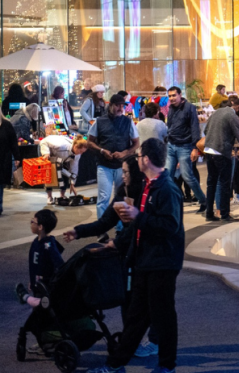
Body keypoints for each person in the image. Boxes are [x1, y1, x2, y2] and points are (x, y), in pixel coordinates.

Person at [88, 138, 185, 373]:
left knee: (163, 318)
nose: (137, 158)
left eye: (140, 155)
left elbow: (170, 226)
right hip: (146, 261)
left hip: (162, 262)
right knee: (136, 318)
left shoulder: (166, 189)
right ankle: (115, 364)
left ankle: (166, 366)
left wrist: (137, 216)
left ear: (146, 160)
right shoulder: (151, 185)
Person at [63, 155, 158, 358]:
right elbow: (105, 222)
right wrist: (78, 231)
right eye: (122, 172)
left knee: (150, 300)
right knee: (129, 298)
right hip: (129, 254)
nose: (122, 176)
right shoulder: (124, 192)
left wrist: (117, 242)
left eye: (125, 172)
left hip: (149, 255)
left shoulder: (147, 193)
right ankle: (134, 343)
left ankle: (152, 343)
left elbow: (138, 229)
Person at [15, 209, 64, 356]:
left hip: (46, 288)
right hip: (38, 285)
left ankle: (45, 342)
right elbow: (34, 265)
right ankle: (45, 341)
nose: (30, 224)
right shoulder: (37, 242)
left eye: (33, 222)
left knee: (42, 316)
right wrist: (32, 280)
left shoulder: (48, 244)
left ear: (40, 227)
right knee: (40, 315)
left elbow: (59, 264)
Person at [196, 98, 239, 221]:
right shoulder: (232, 116)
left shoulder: (217, 112)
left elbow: (206, 130)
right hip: (222, 152)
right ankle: (225, 214)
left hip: (209, 151)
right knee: (224, 184)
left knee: (211, 183)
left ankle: (209, 213)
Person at [88, 94, 141, 218]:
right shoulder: (99, 121)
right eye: (117, 105)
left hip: (122, 167)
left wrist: (124, 153)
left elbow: (136, 143)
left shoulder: (128, 121)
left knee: (121, 197)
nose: (120, 108)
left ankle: (120, 229)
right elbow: (89, 142)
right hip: (104, 165)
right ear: (110, 105)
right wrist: (102, 150)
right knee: (103, 198)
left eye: (122, 106)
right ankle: (101, 230)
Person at [166, 86, 206, 214]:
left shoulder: (189, 108)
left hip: (185, 146)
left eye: (174, 95)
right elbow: (170, 126)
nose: (171, 98)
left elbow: (195, 128)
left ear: (180, 95)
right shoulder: (171, 108)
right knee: (167, 176)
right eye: (170, 96)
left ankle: (203, 201)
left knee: (187, 176)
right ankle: (169, 204)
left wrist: (195, 148)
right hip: (171, 145)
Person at [0, 115, 17, 215]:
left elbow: (13, 142)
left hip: (3, 159)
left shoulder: (6, 125)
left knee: (0, 182)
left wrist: (17, 156)